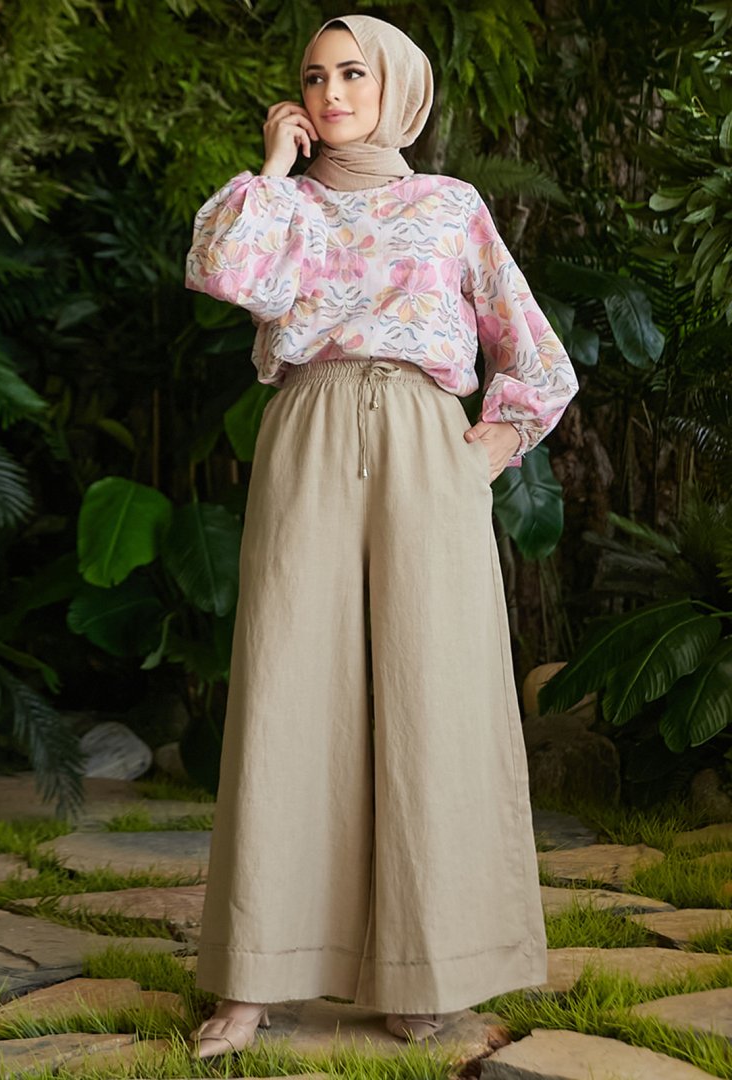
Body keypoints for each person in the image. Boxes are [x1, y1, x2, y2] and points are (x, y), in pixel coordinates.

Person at [183, 13, 578, 1062]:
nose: (331, 94)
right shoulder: (284, 207)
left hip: (423, 441)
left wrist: (489, 448)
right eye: (314, 78)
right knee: (285, 695)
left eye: (353, 73)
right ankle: (251, 982)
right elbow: (228, 274)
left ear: (397, 86)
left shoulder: (450, 205)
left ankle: (423, 969)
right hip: (307, 430)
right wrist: (274, 167)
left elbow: (535, 355)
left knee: (430, 694)